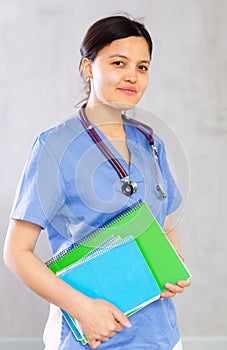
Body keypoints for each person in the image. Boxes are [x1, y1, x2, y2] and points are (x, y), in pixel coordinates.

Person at [4, 15, 190, 350]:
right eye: (119, 63)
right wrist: (84, 309)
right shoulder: (55, 148)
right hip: (91, 333)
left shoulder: (150, 143)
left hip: (160, 333)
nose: (132, 75)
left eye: (143, 67)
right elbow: (17, 252)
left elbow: (165, 227)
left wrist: (166, 269)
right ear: (88, 68)